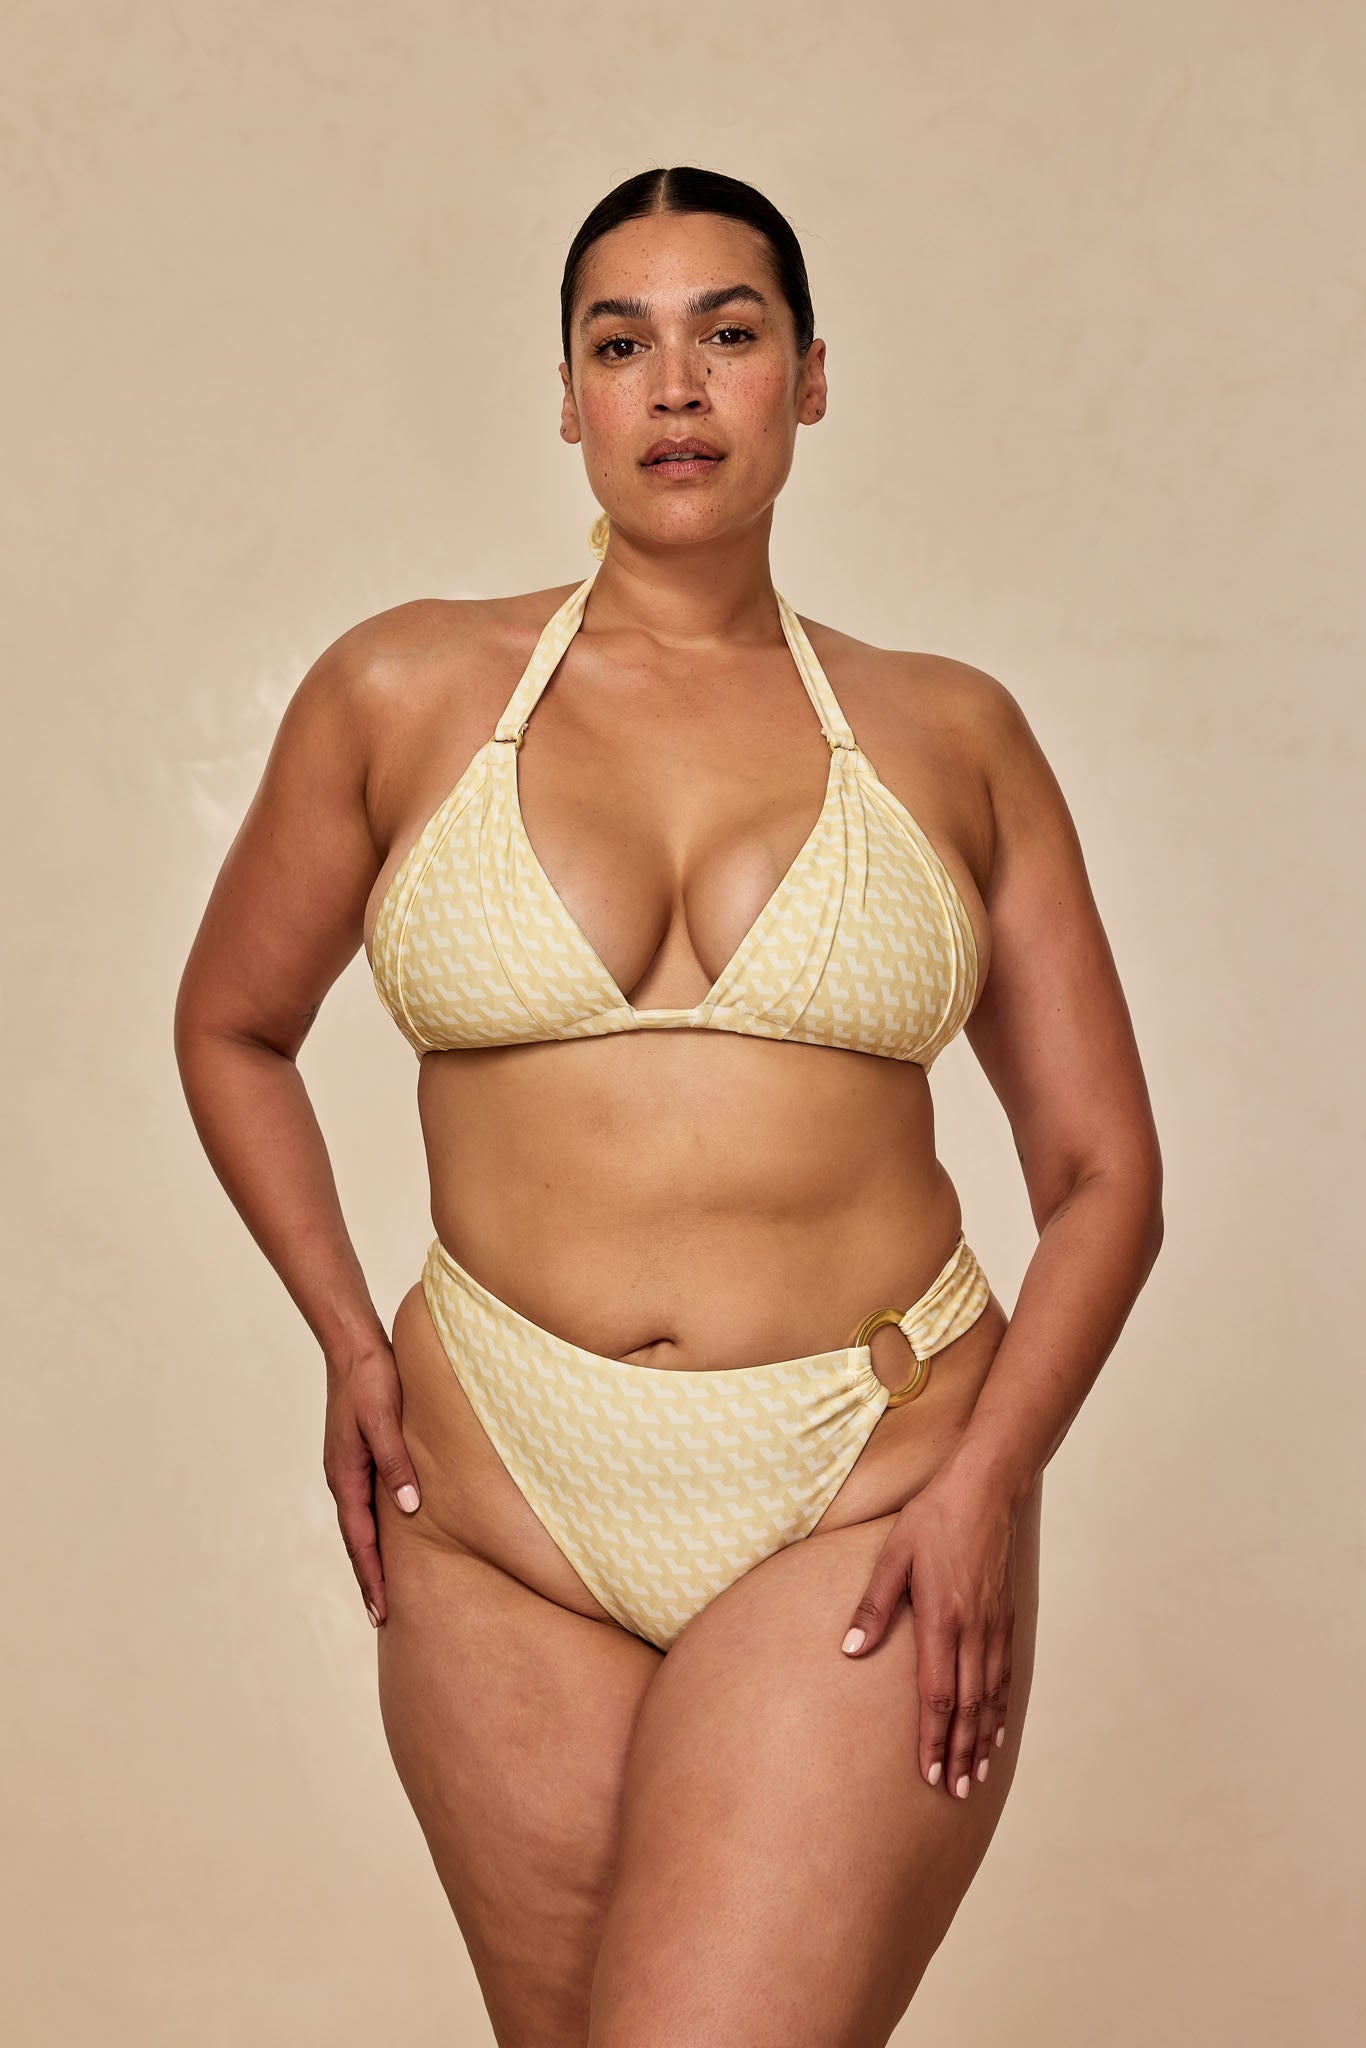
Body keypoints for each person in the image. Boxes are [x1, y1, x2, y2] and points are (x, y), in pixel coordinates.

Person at [174, 164, 1164, 2048]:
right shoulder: (398, 687)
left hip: (861, 1495)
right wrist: (338, 1333)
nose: (677, 386)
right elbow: (231, 1025)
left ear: (808, 377)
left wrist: (985, 1483)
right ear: (566, 396)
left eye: (729, 333)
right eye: (621, 344)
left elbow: (1106, 1173)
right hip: (495, 1511)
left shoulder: (952, 731)